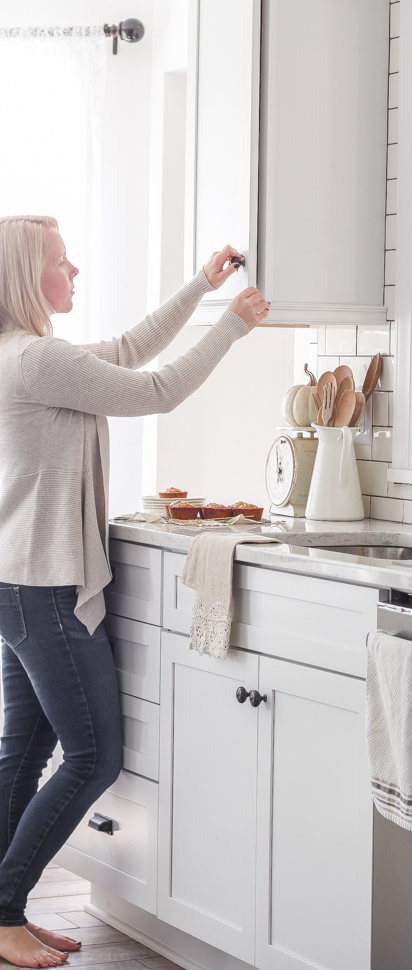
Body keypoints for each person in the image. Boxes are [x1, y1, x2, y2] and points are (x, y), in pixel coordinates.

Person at [0, 215, 268, 968]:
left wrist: (202, 286)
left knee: (23, 752)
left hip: (20, 582)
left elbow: (124, 352)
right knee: (93, 757)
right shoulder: (36, 359)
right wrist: (233, 325)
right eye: (61, 260)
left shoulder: (24, 354)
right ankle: (5, 909)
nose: (75, 269)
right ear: (28, 278)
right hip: (45, 586)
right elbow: (153, 389)